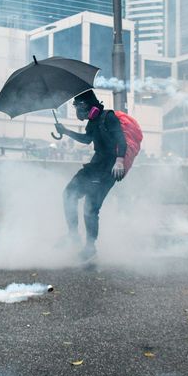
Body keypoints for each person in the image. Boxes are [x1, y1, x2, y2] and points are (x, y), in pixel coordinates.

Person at [54, 90, 126, 262]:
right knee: (69, 194)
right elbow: (87, 139)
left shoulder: (109, 117)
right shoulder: (92, 122)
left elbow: (121, 139)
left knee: (90, 208)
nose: (79, 112)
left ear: (89, 105)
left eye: (80, 107)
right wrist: (65, 131)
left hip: (109, 169)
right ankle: (73, 235)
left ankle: (90, 247)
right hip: (95, 166)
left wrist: (120, 160)